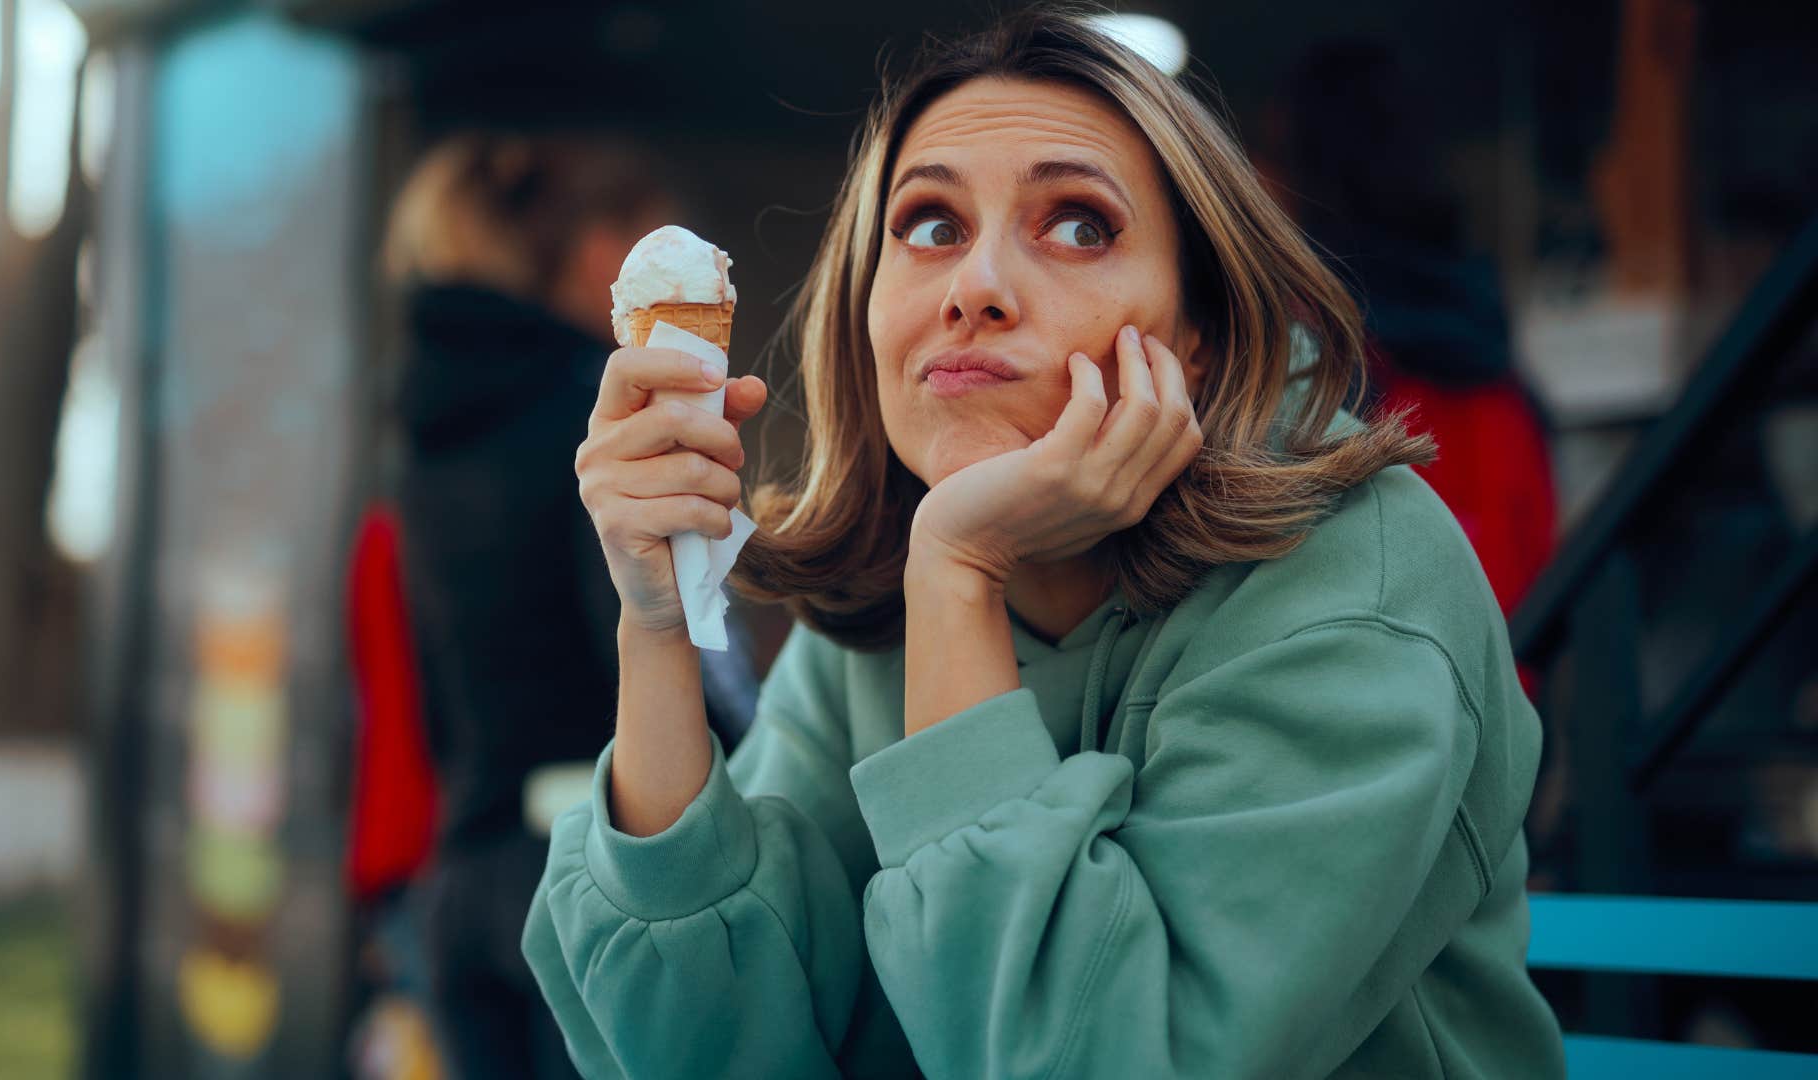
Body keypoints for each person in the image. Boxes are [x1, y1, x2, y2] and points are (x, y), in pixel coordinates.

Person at [527, 10, 1565, 1078]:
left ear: (1196, 339)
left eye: (1078, 225)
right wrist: (658, 620)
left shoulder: (1356, 578)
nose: (976, 285)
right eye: (930, 225)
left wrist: (958, 572)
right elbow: (716, 1044)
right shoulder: (882, 603)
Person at [379, 133, 756, 1079]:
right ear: (593, 263)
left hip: (461, 873)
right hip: (584, 879)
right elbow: (656, 630)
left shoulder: (424, 435)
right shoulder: (595, 420)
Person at [1278, 41, 1559, 617]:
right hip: (1504, 559)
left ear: (1303, 160)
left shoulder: (1310, 310)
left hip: (1404, 620)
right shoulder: (1469, 284)